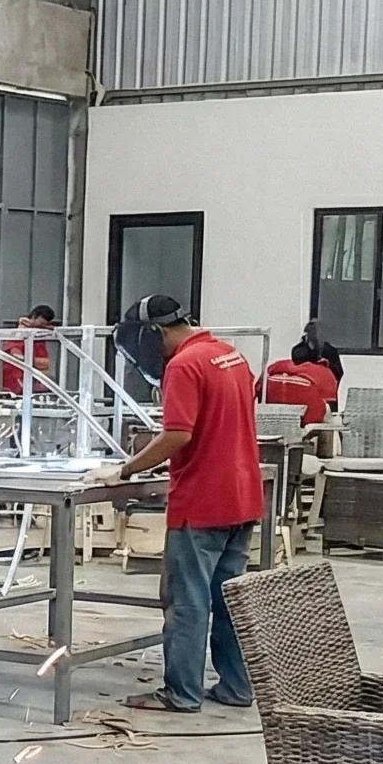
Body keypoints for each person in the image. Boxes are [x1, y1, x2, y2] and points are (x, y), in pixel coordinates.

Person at [114, 294, 263, 714]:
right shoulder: (229, 355)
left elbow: (177, 434)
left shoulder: (184, 364)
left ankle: (181, 694)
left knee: (186, 604)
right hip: (241, 498)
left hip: (201, 503)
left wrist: (126, 470)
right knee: (228, 601)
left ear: (155, 333)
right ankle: (235, 688)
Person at [0, 304, 58, 400]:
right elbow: (15, 354)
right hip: (16, 381)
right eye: (41, 324)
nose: (43, 327)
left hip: (30, 381)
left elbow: (44, 364)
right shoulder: (21, 334)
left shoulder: (39, 335)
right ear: (34, 317)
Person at [292, 318, 345, 387]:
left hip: (323, 389)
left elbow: (338, 373)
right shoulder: (298, 350)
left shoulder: (330, 351)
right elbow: (297, 364)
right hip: (305, 388)